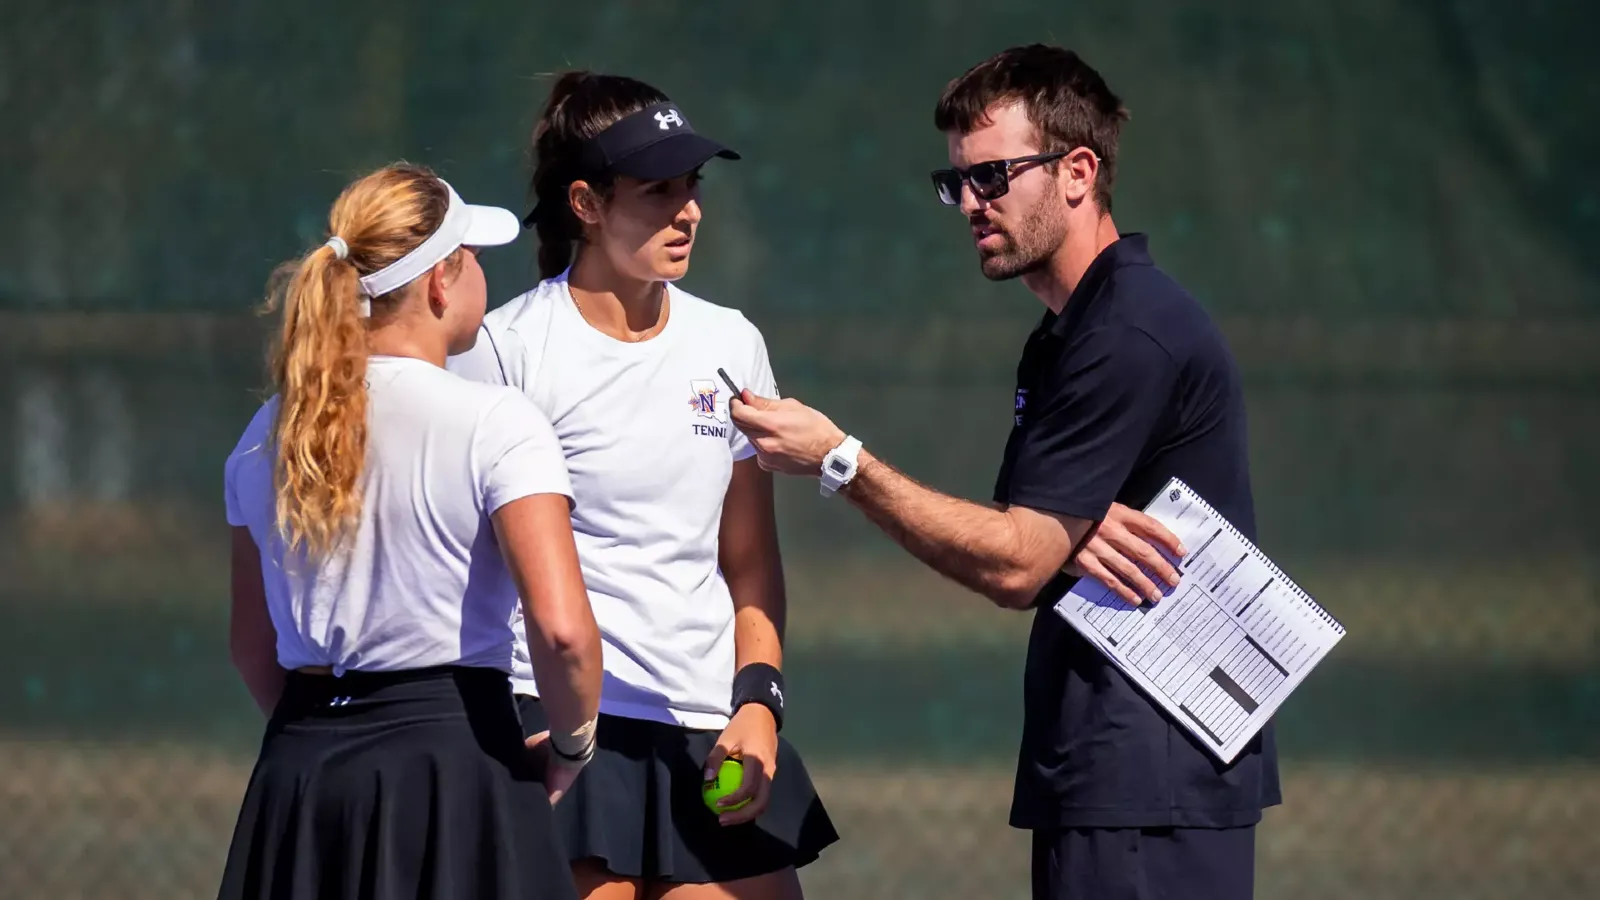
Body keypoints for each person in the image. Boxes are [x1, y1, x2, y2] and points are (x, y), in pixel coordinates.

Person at [726, 45, 1279, 900]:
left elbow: (1015, 562)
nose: (970, 204)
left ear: (1078, 172)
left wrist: (839, 460)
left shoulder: (1128, 332)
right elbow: (1022, 535)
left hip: (1151, 776)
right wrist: (1059, 535)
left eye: (993, 176)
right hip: (1104, 769)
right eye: (956, 182)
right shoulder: (1066, 335)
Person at [447, 72, 838, 900]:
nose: (687, 210)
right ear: (585, 204)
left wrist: (758, 704)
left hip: (706, 731)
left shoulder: (731, 342)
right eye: (658, 190)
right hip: (555, 725)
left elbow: (749, 564)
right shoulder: (507, 349)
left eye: (691, 185)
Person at [220, 162, 604, 900]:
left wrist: (328, 741)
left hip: (297, 776)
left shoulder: (264, 433)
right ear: (439, 284)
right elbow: (563, 634)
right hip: (456, 770)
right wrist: (571, 745)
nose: (483, 273)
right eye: (474, 257)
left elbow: (250, 646)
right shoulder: (498, 422)